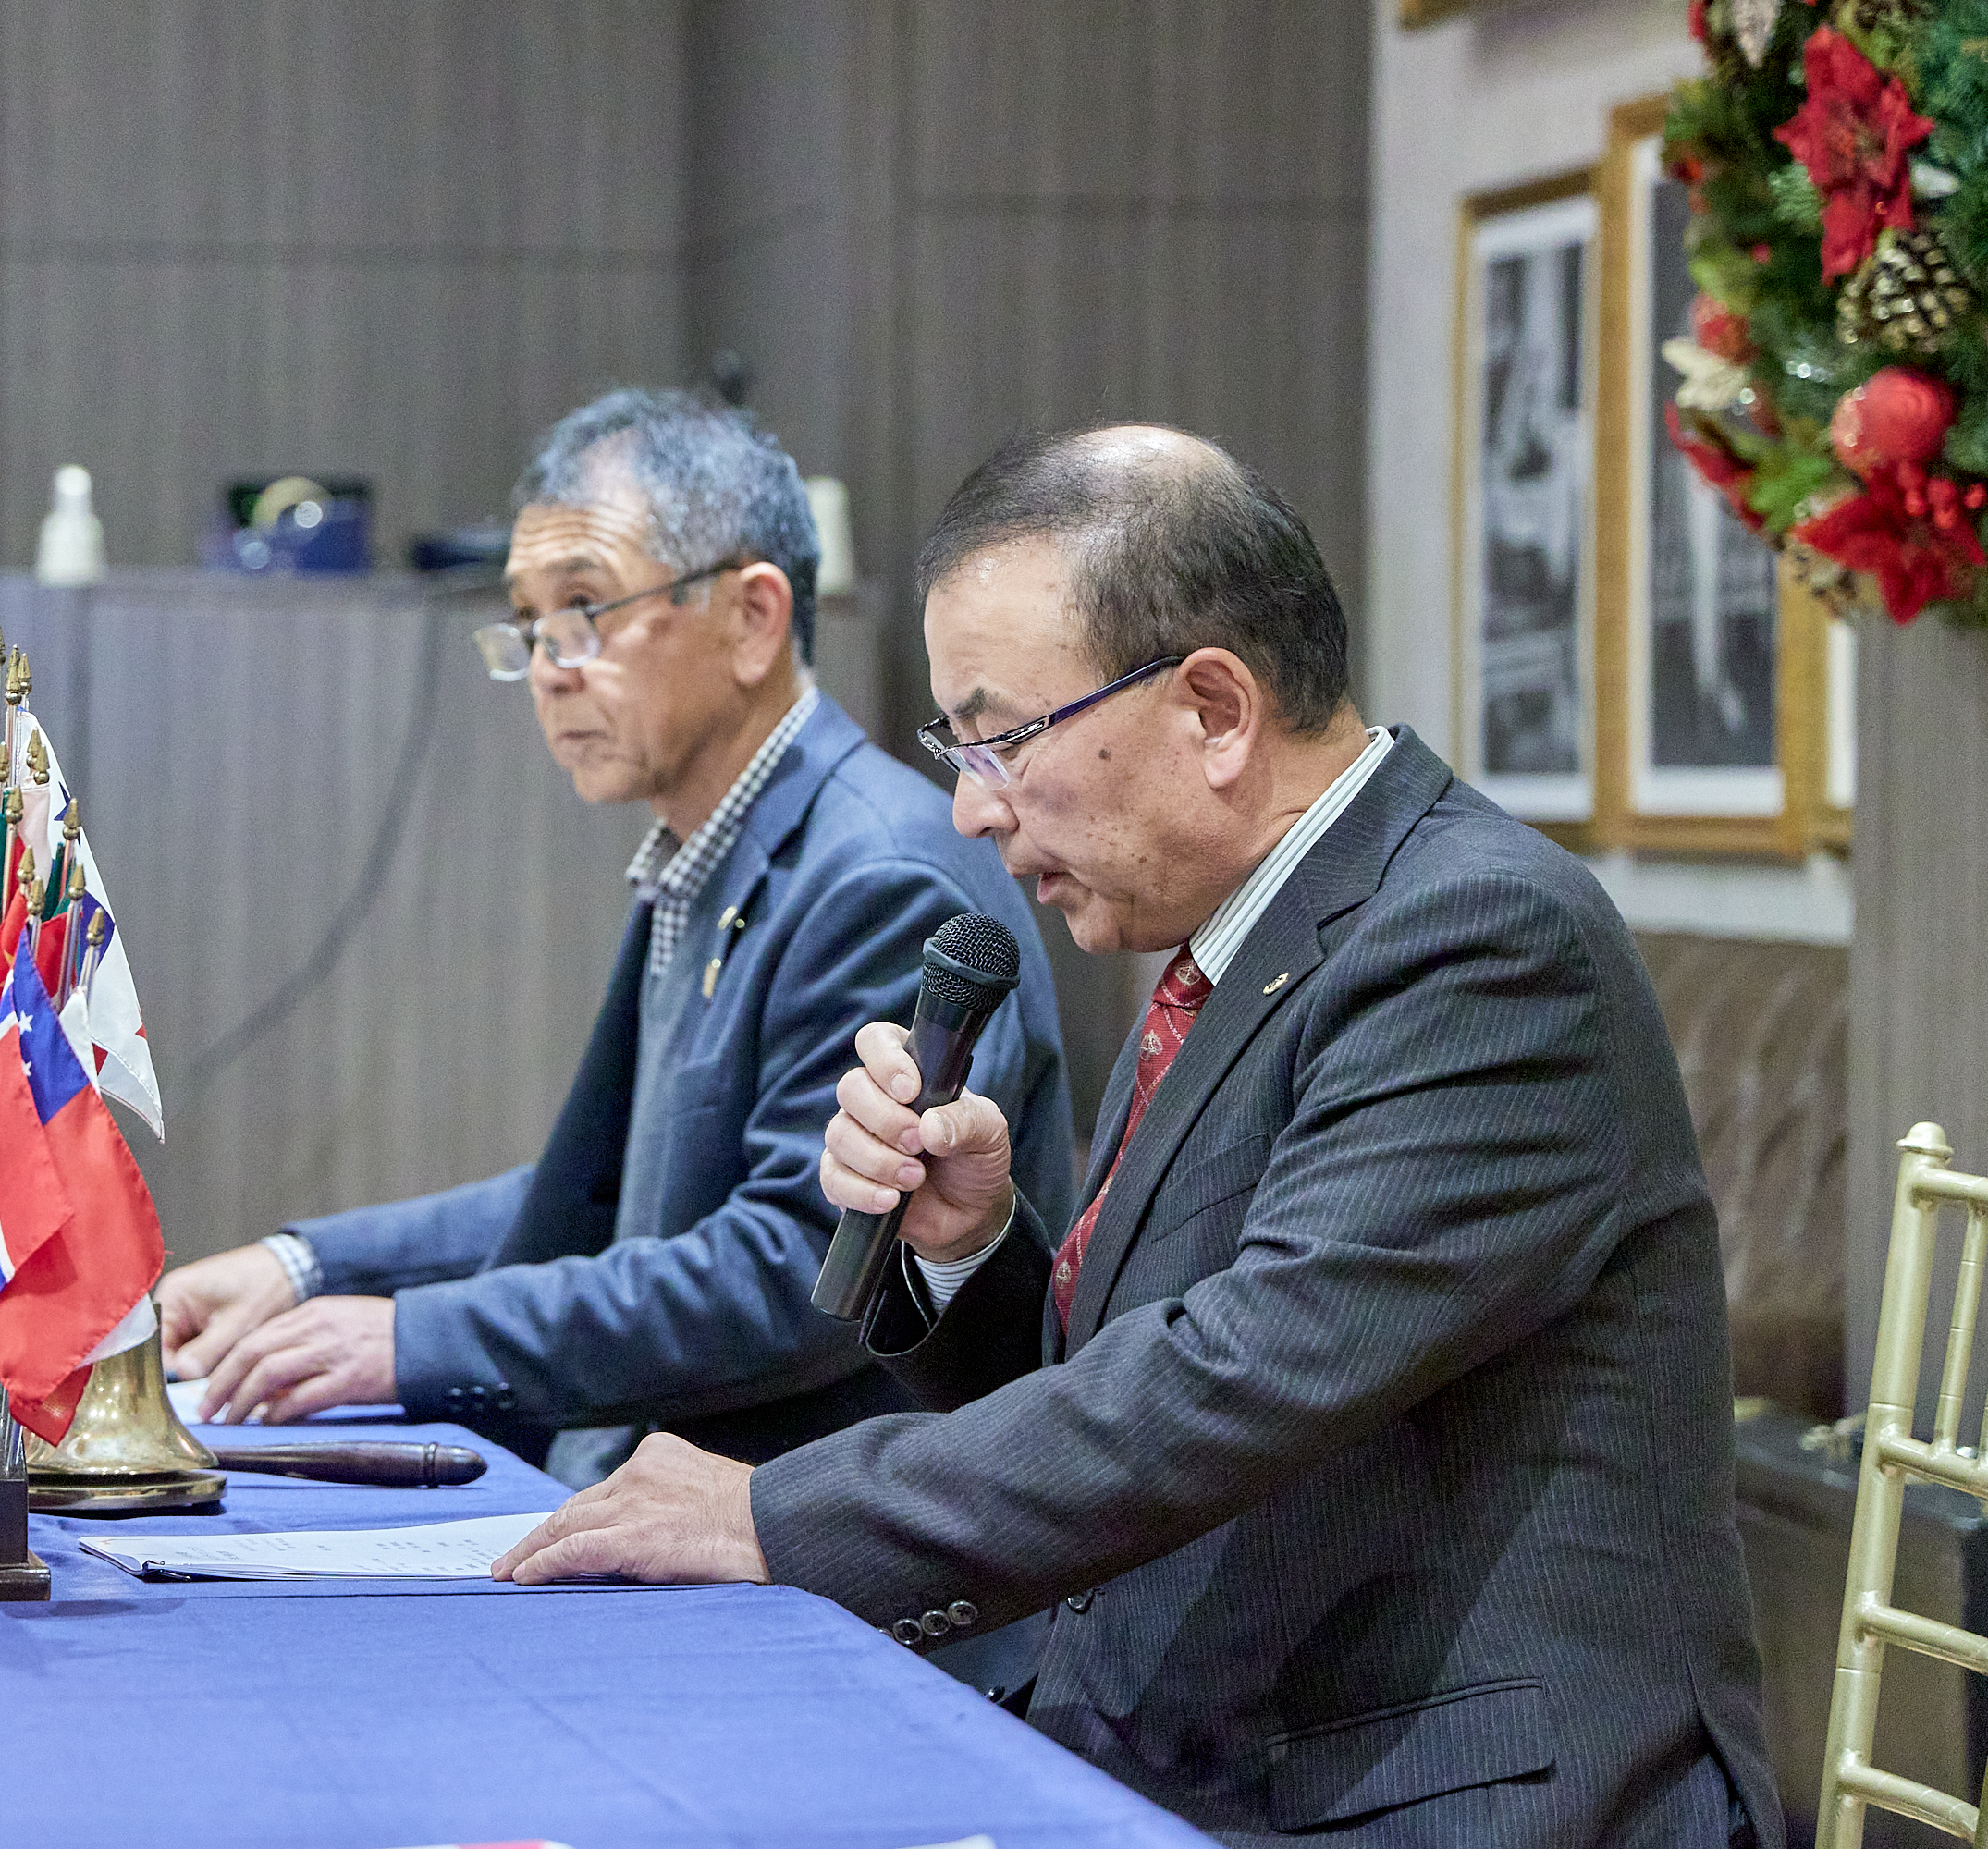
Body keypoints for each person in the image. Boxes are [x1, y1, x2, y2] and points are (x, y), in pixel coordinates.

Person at [494, 425, 1782, 1847]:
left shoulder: (1476, 941)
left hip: (1437, 1797)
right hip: (1197, 1749)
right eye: (954, 745)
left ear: (1216, 709)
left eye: (998, 737)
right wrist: (971, 1249)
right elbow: (1122, 1379)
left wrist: (777, 1518)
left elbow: (1235, 1384)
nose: (974, 808)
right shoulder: (1230, 943)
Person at [158, 387, 1068, 1493]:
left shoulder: (878, 873)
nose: (548, 665)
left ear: (752, 618)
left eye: (585, 607)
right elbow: (610, 1191)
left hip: (824, 1566)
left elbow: (802, 1269)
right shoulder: (716, 847)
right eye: (530, 624)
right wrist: (304, 1267)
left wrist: (410, 1338)